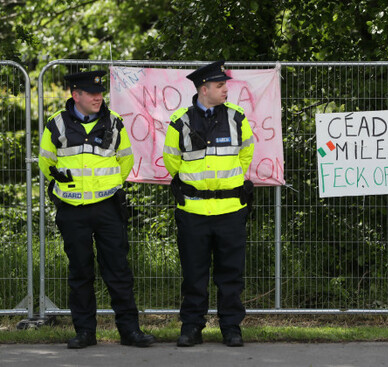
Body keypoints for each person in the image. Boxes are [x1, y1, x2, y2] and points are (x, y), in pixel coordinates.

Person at [39, 70, 155, 349]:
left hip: (107, 209)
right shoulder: (57, 124)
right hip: (72, 209)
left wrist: (108, 185)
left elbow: (125, 161)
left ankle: (130, 331)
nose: (98, 97)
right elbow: (46, 162)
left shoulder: (114, 123)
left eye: (100, 93)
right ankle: (85, 332)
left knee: (118, 271)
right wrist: (65, 182)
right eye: (91, 94)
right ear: (75, 95)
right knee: (80, 271)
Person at [163, 60, 255, 347]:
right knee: (194, 274)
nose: (226, 89)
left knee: (231, 274)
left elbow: (246, 154)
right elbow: (172, 161)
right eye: (219, 85)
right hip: (193, 211)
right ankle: (192, 327)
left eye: (224, 84)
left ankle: (231, 328)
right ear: (204, 89)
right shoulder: (180, 121)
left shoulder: (237, 118)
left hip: (230, 211)